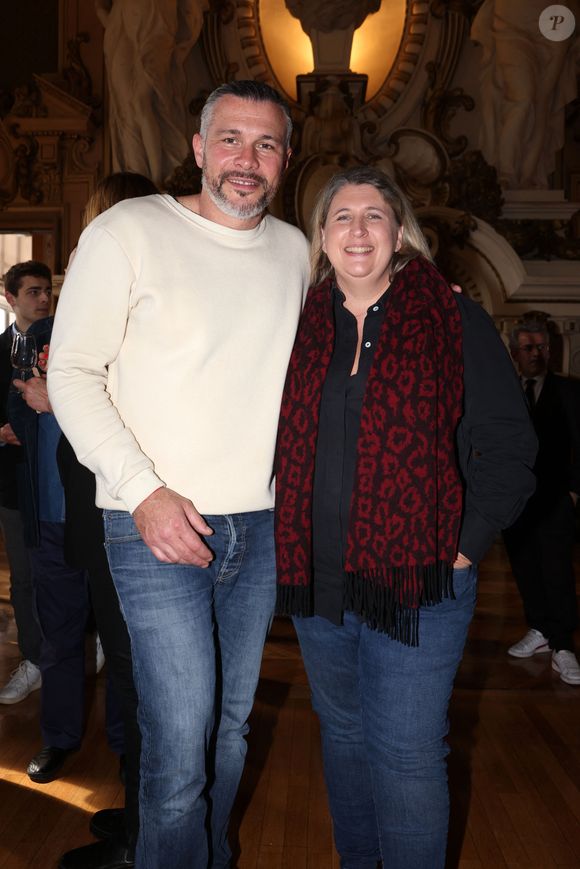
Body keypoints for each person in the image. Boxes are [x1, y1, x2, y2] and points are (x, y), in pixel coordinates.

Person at [47, 81, 310, 869]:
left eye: (266, 145)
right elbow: (73, 373)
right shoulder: (129, 229)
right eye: (230, 139)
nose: (247, 160)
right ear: (198, 148)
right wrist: (144, 493)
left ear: (286, 160)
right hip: (153, 524)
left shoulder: (297, 250)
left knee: (230, 729)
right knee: (178, 739)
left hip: (257, 531)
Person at [274, 166, 537, 869]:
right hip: (319, 579)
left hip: (424, 579)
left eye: (374, 216)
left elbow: (511, 445)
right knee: (344, 735)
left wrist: (465, 544)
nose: (358, 229)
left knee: (407, 751)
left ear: (399, 232)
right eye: (342, 217)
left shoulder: (451, 315)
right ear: (322, 237)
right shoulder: (294, 320)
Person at [56, 172, 159, 869]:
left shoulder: (129, 298)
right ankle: (142, 812)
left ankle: (146, 838)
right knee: (133, 679)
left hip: (124, 516)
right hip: (107, 518)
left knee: (143, 680)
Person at [503, 321, 580, 685]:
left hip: (555, 501)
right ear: (515, 354)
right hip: (515, 503)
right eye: (527, 348)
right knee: (525, 569)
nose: (535, 354)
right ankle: (539, 629)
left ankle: (564, 645)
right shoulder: (505, 391)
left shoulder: (568, 391)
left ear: (549, 351)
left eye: (540, 348)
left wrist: (574, 492)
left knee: (557, 572)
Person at [0, 261, 47, 703]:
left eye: (46, 290)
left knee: (74, 570)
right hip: (14, 481)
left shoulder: (71, 343)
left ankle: (85, 645)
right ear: (11, 299)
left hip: (63, 482)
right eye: (32, 292)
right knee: (26, 577)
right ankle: (34, 658)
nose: (43, 298)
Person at [470, 0, 580, 189]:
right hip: (513, 20)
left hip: (556, 14)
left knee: (543, 102)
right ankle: (506, 172)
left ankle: (528, 175)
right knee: (523, 98)